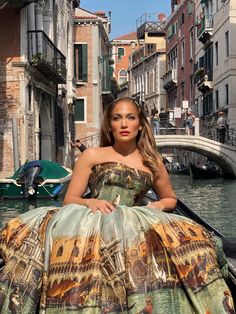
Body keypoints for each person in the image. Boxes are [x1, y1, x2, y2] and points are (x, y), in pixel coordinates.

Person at [0, 97, 234, 313]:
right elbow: (70, 199)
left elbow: (170, 198)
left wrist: (158, 207)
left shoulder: (152, 162)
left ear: (140, 125)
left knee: (198, 245)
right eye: (117, 118)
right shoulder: (92, 155)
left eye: (130, 118)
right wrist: (91, 201)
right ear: (110, 125)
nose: (124, 123)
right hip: (90, 220)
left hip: (136, 222)